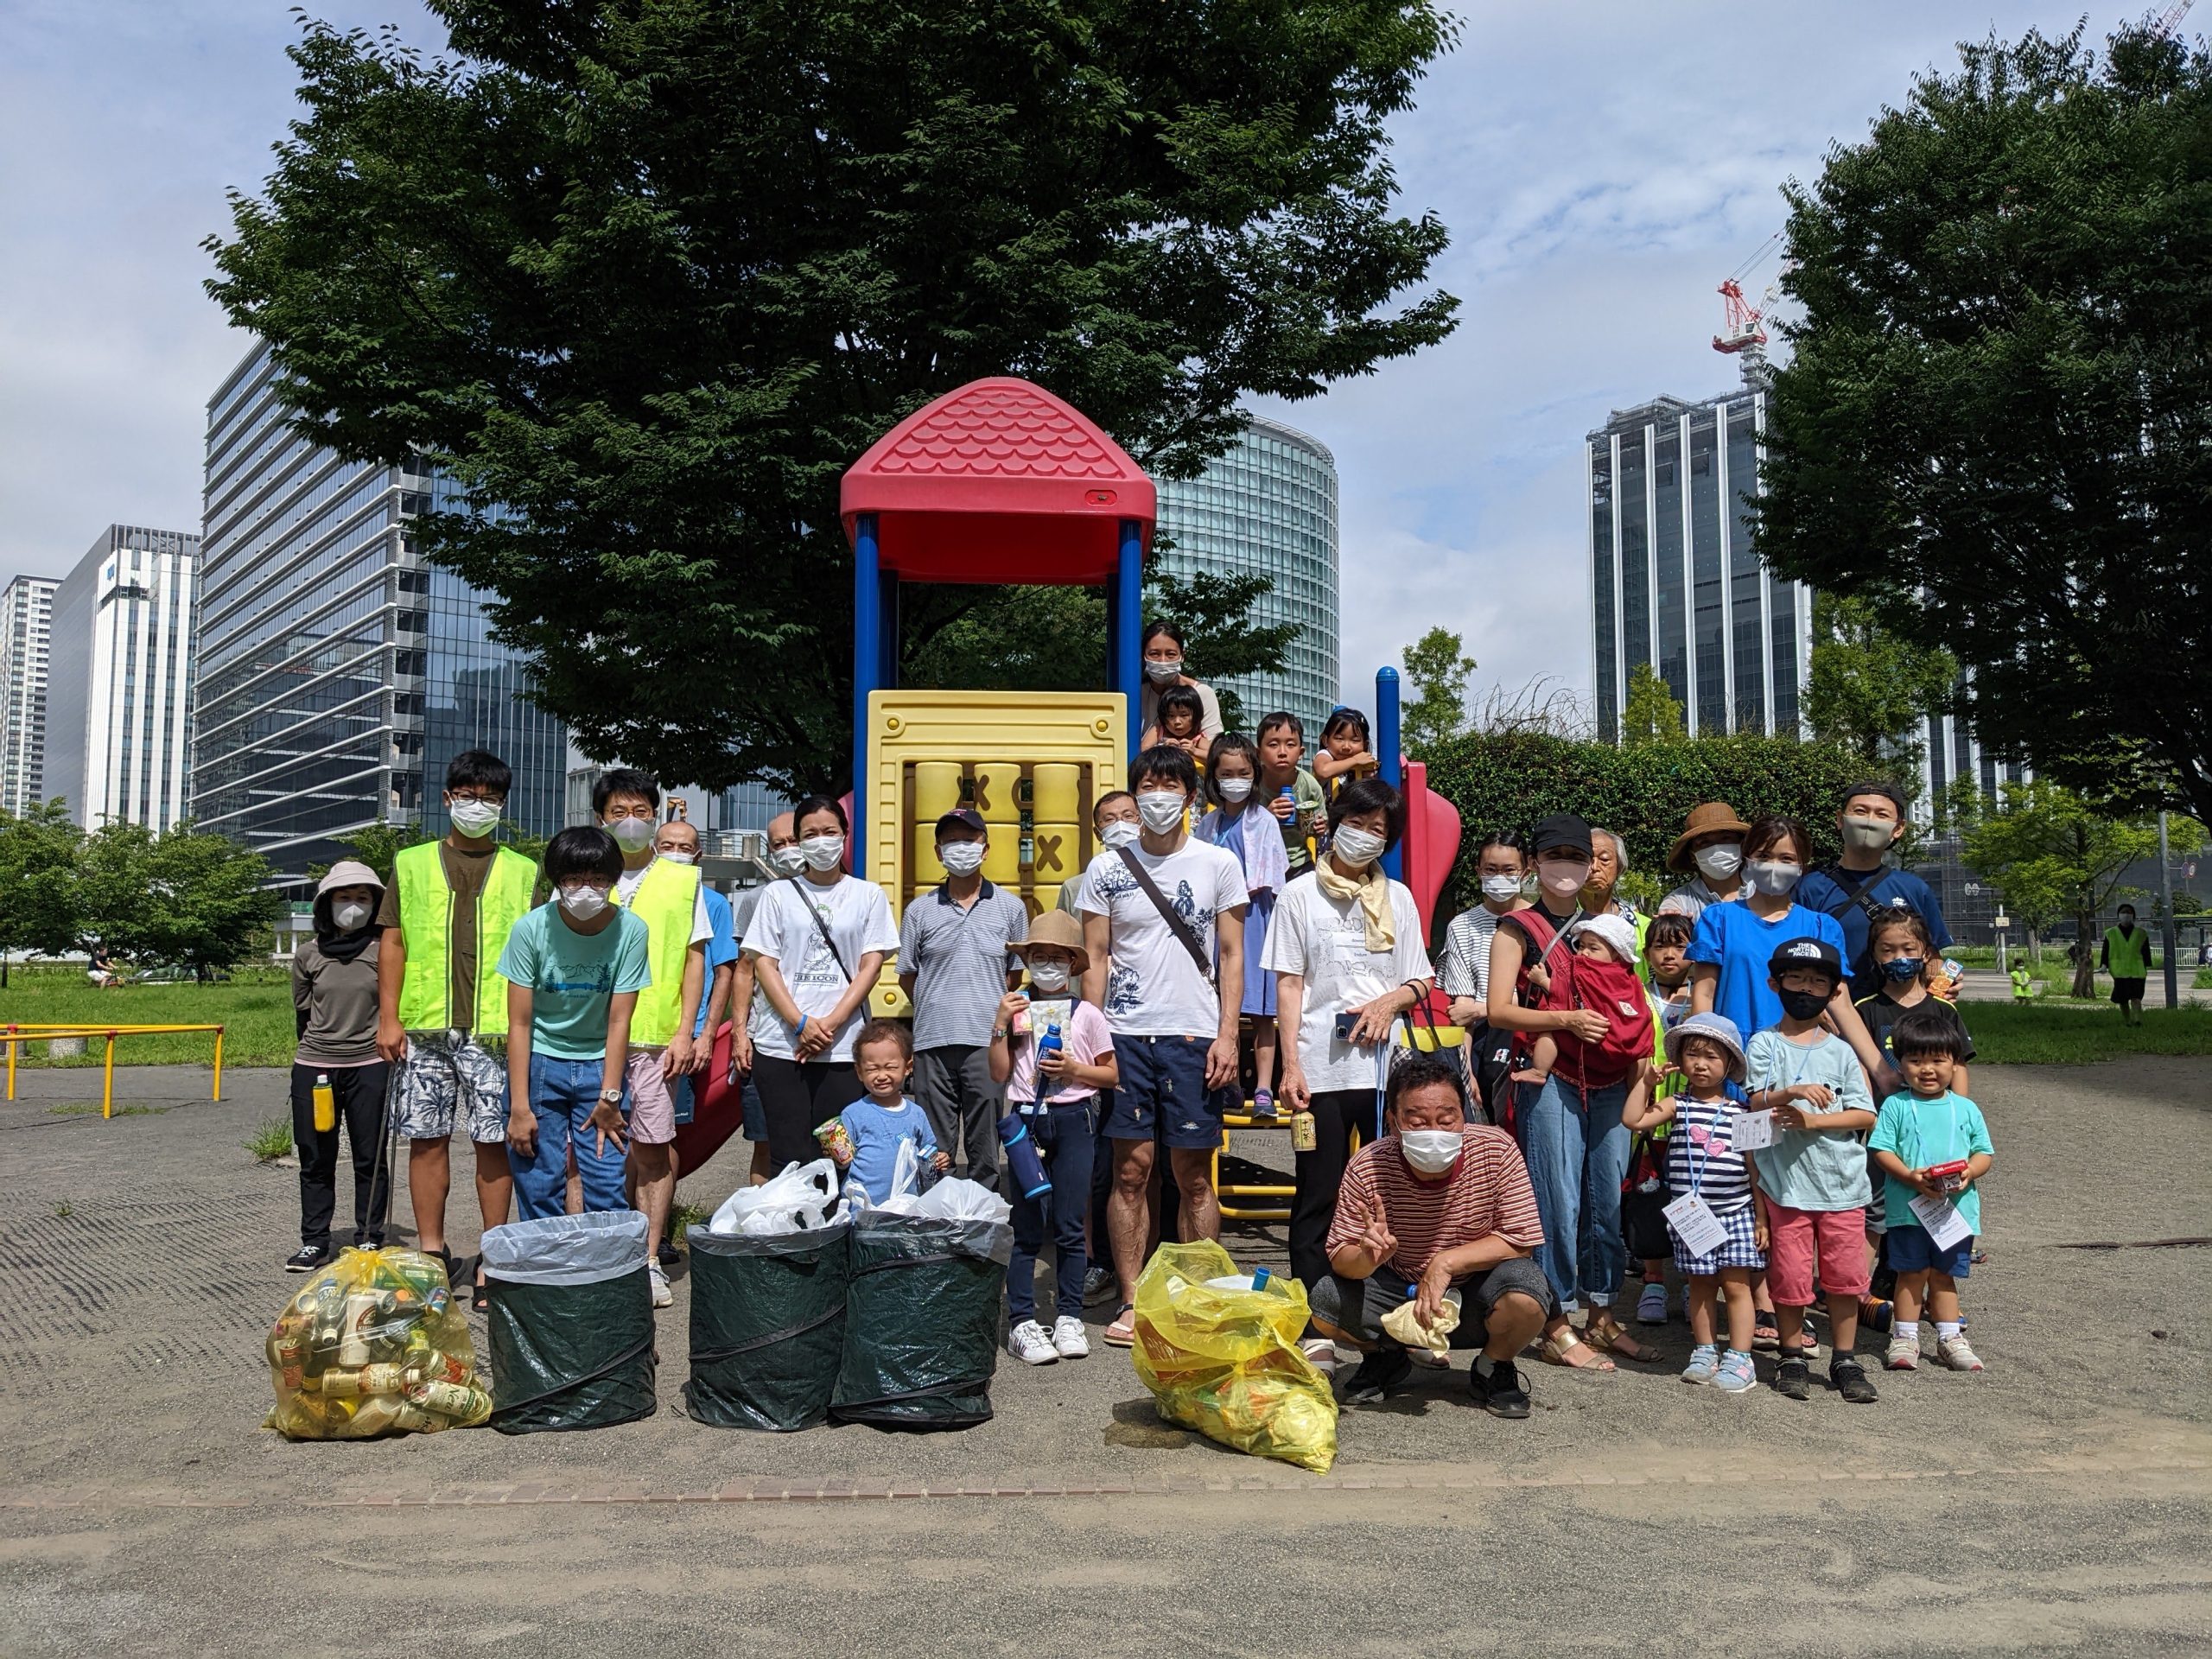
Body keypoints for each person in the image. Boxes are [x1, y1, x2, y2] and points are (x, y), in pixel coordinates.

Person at [1078, 745, 1247, 1348]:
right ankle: (1132, 1298)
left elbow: (1232, 956)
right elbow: (1094, 958)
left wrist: (1229, 1034)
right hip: (1124, 1035)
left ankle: (1198, 1294)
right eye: (1146, 784)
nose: (1156, 795)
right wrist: (1093, 1037)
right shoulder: (1107, 870)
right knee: (1130, 1171)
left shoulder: (1217, 863)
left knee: (1193, 1173)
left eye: (1168, 784)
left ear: (1189, 795)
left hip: (1193, 1034)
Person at [1266, 777, 1436, 1354]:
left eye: (1377, 830)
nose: (1364, 837)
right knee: (1319, 1192)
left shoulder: (1401, 898)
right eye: (1356, 823)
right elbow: (1290, 986)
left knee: (1399, 1192)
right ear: (1333, 821)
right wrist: (1289, 1066)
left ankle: (1396, 1316)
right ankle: (1316, 1321)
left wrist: (1391, 1000)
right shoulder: (1297, 895)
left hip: (1389, 1073)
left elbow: (1420, 978)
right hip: (1321, 1068)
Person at [1482, 812, 1650, 1370]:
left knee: (1607, 1194)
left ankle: (1601, 1312)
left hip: (1608, 1078)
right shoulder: (1518, 928)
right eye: (1555, 858)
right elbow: (1498, 1009)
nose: (1567, 869)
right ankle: (1553, 1318)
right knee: (1556, 1198)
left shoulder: (1601, 925)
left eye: (1577, 860)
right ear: (1535, 865)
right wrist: (1567, 1020)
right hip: (1550, 1076)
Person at [1308, 1054, 1555, 1418]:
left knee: (1528, 1292)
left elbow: (1521, 1238)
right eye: (1417, 1121)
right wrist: (1367, 1256)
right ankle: (1386, 1357)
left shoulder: (1497, 1149)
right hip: (1397, 1291)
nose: (1434, 1131)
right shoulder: (1367, 1164)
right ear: (1393, 1122)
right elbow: (1340, 1259)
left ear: (1464, 1114)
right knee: (1324, 1304)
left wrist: (1446, 1263)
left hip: (1475, 1295)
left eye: (1446, 1118)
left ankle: (1494, 1366)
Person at [376, 749, 536, 1301]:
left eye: (489, 799)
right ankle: (430, 1253)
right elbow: (392, 941)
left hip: (495, 1031)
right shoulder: (410, 862)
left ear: (502, 805)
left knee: (494, 1143)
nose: (477, 806)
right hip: (422, 1029)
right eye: (467, 796)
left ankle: (493, 1257)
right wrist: (389, 1016)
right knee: (426, 1140)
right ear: (447, 799)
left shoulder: (524, 870)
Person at [1744, 938, 1880, 1404]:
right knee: (1789, 1278)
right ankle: (1791, 1355)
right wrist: (1790, 1093)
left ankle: (1845, 1357)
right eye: (1796, 979)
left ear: (1834, 989)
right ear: (1774, 984)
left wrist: (1815, 1120)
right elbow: (1753, 1102)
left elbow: (1866, 1115)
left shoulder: (1842, 1051)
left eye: (1818, 981)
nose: (1806, 988)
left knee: (1845, 1279)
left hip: (1842, 1187)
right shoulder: (1763, 1042)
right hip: (1786, 1188)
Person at [595, 769, 709, 1307]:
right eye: (619, 812)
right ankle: (595, 1258)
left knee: (653, 1149)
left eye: (641, 811)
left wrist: (686, 1031)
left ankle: (646, 1259)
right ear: (601, 818)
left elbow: (695, 960)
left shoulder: (683, 881)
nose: (631, 822)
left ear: (656, 814)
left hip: (657, 1041)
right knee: (583, 1152)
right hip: (587, 1038)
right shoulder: (582, 874)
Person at [497, 826, 652, 1222]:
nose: (586, 889)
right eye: (573, 878)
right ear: (557, 881)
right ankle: (546, 1279)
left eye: (598, 879)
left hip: (601, 1064)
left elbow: (620, 1019)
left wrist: (611, 1096)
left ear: (613, 880)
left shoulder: (631, 930)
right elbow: (518, 1022)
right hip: (540, 1063)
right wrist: (519, 1106)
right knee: (539, 1184)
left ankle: (609, 1279)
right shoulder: (531, 928)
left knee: (605, 1183)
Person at [988, 912, 1118, 1365]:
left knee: (1069, 1224)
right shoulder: (1016, 1008)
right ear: (1026, 961)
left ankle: (1068, 1316)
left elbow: (1110, 1073)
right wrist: (1000, 1024)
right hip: (1027, 1118)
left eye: (1056, 958)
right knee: (1026, 1226)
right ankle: (1022, 1320)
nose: (1047, 966)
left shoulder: (1088, 1013)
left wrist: (1073, 1070)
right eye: (1038, 957)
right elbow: (999, 1074)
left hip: (1075, 1118)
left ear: (1072, 965)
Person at [744, 796, 900, 1172]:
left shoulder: (868, 895)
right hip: (782, 1045)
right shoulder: (776, 894)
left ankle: (836, 1227)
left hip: (843, 1047)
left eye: (829, 831)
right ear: (798, 839)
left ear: (844, 835)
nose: (820, 841)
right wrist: (799, 1022)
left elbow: (871, 965)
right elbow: (764, 963)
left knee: (838, 1154)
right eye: (809, 834)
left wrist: (829, 1024)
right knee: (787, 1154)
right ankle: (793, 1228)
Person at [1688, 815, 1891, 1087]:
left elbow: (1840, 1004)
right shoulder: (1719, 919)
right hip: (1732, 1061)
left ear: (1802, 866)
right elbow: (1704, 994)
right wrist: (1707, 1059)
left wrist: (1881, 1070)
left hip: (1802, 1065)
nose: (1774, 866)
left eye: (1786, 859)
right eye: (1764, 855)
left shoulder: (1821, 927)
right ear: (1747, 859)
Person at [1622, 1013, 1765, 1393]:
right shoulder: (1676, 1104)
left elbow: (1755, 1171)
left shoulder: (1743, 1113)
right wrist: (1646, 1083)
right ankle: (1704, 1351)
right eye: (1693, 1055)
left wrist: (1761, 1218)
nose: (1700, 1064)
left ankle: (1740, 1357)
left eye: (1712, 1057)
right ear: (1681, 1060)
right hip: (1692, 1215)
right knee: (1700, 1285)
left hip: (1736, 1211)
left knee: (1737, 1286)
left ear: (1730, 1064)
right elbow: (1633, 1119)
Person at [899, 807, 1027, 1185]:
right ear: (938, 852)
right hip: (932, 1040)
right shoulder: (919, 910)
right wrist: (940, 1001)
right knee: (935, 1146)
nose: (960, 848)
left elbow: (1014, 975)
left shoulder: (1011, 907)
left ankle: (982, 1219)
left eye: (968, 840)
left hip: (987, 1041)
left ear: (985, 849)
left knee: (985, 1143)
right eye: (951, 841)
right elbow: (909, 975)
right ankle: (937, 1222)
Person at [1868, 1003, 1993, 1373]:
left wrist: (1971, 1172)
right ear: (1900, 1063)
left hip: (1955, 1213)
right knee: (1911, 1273)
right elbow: (1881, 1150)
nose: (1927, 1069)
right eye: (1916, 1060)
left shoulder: (1966, 1109)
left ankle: (1950, 1337)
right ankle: (1904, 1336)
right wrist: (1909, 1177)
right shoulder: (1895, 1105)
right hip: (1909, 1210)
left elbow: (1984, 1153)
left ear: (1954, 1064)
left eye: (1938, 1060)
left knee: (1944, 1275)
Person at [285, 860, 392, 1272]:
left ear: (376, 903)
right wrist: (318, 1056)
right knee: (315, 1156)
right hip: (315, 1067)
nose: (353, 905)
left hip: (371, 1065)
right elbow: (303, 1012)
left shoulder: (384, 950)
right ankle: (315, 1241)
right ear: (326, 904)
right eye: (344, 897)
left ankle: (369, 1237)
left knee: (370, 1155)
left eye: (362, 898)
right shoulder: (307, 954)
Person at [655, 816, 739, 1261]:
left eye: (684, 847)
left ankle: (659, 1230)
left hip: (684, 1039)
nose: (675, 852)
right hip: (637, 1035)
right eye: (666, 844)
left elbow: (724, 970)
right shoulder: (638, 896)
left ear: (698, 856)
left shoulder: (714, 904)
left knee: (666, 1137)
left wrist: (707, 1033)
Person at [1194, 734, 1288, 1116]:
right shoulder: (1208, 823)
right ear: (1214, 778)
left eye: (1243, 773)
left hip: (1253, 918)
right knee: (1219, 1005)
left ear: (1254, 775)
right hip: (1214, 923)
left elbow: (1274, 875)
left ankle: (1263, 1087)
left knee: (1263, 1010)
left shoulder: (1263, 820)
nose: (1235, 779)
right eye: (1226, 773)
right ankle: (1229, 1082)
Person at [1796, 781, 1953, 1001]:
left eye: (1882, 814)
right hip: (1830, 1018)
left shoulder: (1915, 889)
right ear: (1840, 819)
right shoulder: (1808, 888)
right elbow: (1795, 957)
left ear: (1898, 828)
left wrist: (1945, 984)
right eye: (1860, 811)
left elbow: (1933, 958)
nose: (1870, 821)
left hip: (1902, 1019)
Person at [724, 810, 801, 1187]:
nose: (788, 850)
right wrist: (740, 1033)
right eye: (778, 845)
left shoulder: (850, 893)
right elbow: (744, 969)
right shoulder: (757, 899)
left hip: (826, 1041)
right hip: (766, 1037)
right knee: (765, 1144)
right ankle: (767, 1230)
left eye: (794, 840)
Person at [1440, 830, 1530, 1122]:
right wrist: (1466, 1077)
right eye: (1491, 869)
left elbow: (1541, 1001)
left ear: (1525, 872)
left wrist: (1481, 1007)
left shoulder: (1539, 923)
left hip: (1530, 1043)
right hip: (1482, 1045)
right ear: (1478, 871)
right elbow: (1461, 1015)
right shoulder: (1462, 926)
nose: (1499, 877)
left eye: (1509, 870)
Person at [1520, 914, 1654, 1095]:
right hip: (1623, 1043)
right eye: (1581, 946)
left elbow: (1561, 991)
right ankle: (1634, 1090)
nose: (1584, 953)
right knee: (1641, 1050)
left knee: (1550, 1030)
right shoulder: (1631, 979)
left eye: (1593, 948)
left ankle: (1539, 1070)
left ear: (1617, 955)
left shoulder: (1582, 971)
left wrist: (1543, 980)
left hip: (1594, 1035)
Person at [826, 1020, 948, 1203]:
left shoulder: (916, 1113)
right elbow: (842, 1163)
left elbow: (927, 1152)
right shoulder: (853, 1114)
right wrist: (836, 1157)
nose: (882, 1076)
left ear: (908, 1067)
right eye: (872, 1069)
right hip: (864, 1209)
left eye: (890, 1067)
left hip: (906, 1206)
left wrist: (939, 1159)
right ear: (859, 1072)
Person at [1256, 712, 1327, 880]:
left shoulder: (1310, 786)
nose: (1282, 752)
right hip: (1260, 864)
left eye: (1290, 745)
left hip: (1299, 863)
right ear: (1258, 752)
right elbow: (1240, 825)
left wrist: (1319, 827)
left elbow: (1321, 825)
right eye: (1273, 745)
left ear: (1301, 752)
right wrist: (1265, 816)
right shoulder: (1252, 783)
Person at [1658, 801, 1752, 921]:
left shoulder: (1764, 890)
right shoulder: (1678, 904)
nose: (1717, 848)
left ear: (1742, 845)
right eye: (1705, 842)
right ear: (1692, 855)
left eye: (1726, 838)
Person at [1137, 620, 1224, 744]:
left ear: (1182, 656)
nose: (1163, 661)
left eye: (1170, 654)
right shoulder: (1135, 694)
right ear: (1143, 656)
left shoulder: (1203, 694)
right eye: (1154, 654)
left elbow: (1214, 751)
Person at [1057, 791, 1139, 915]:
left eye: (1128, 816)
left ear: (1142, 823)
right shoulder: (1074, 888)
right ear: (1098, 833)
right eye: (1110, 819)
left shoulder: (1160, 874)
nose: (1120, 824)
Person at [2101, 904, 2156, 1026]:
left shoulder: (2141, 933)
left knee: (2137, 997)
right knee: (2123, 999)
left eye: (2129, 912)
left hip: (2137, 970)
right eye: (2123, 912)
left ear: (2133, 916)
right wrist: (2104, 964)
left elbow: (2145, 951)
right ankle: (2127, 1021)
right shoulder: (2110, 933)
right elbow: (2105, 950)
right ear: (2119, 915)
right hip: (2119, 971)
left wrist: (2147, 964)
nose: (2126, 915)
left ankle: (2137, 1019)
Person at [1313, 706, 1377, 797]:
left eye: (1355, 740)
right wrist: (1355, 760)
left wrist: (1368, 774)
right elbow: (1323, 771)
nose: (1346, 747)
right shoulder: (1326, 755)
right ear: (1325, 740)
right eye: (1339, 739)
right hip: (1327, 810)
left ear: (1365, 745)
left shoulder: (1363, 763)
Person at [1140, 685, 1211, 764]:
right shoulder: (1159, 732)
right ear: (1163, 716)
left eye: (1184, 715)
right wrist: (1163, 748)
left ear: (1196, 716)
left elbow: (1215, 756)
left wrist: (1194, 751)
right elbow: (1142, 751)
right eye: (1171, 716)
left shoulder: (1197, 739)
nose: (1177, 722)